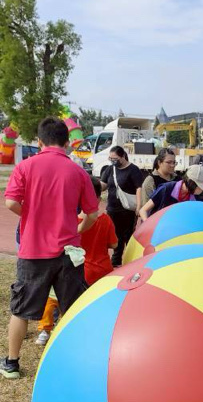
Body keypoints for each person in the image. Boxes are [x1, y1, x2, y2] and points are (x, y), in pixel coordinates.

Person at [1, 117, 99, 380]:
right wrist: (78, 230)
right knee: (72, 308)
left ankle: (12, 363)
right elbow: (92, 213)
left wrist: (32, 216)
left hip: (33, 251)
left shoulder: (26, 166)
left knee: (21, 309)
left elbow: (11, 202)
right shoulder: (78, 172)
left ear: (39, 141)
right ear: (67, 143)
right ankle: (76, 362)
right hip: (69, 252)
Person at [100, 146, 143, 266]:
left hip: (128, 209)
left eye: (115, 159)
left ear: (123, 156)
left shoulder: (133, 170)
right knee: (115, 234)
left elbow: (139, 188)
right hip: (112, 208)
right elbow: (103, 185)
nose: (113, 161)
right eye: (111, 159)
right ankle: (116, 259)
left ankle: (131, 259)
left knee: (128, 235)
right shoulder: (110, 169)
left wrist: (139, 205)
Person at [79, 177, 117, 285]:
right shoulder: (106, 219)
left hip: (82, 271)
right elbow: (114, 245)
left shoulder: (73, 222)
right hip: (104, 270)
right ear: (99, 199)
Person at [139, 165, 203, 219]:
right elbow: (143, 210)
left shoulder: (195, 197)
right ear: (192, 183)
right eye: (200, 186)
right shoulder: (166, 189)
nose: (202, 189)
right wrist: (149, 228)